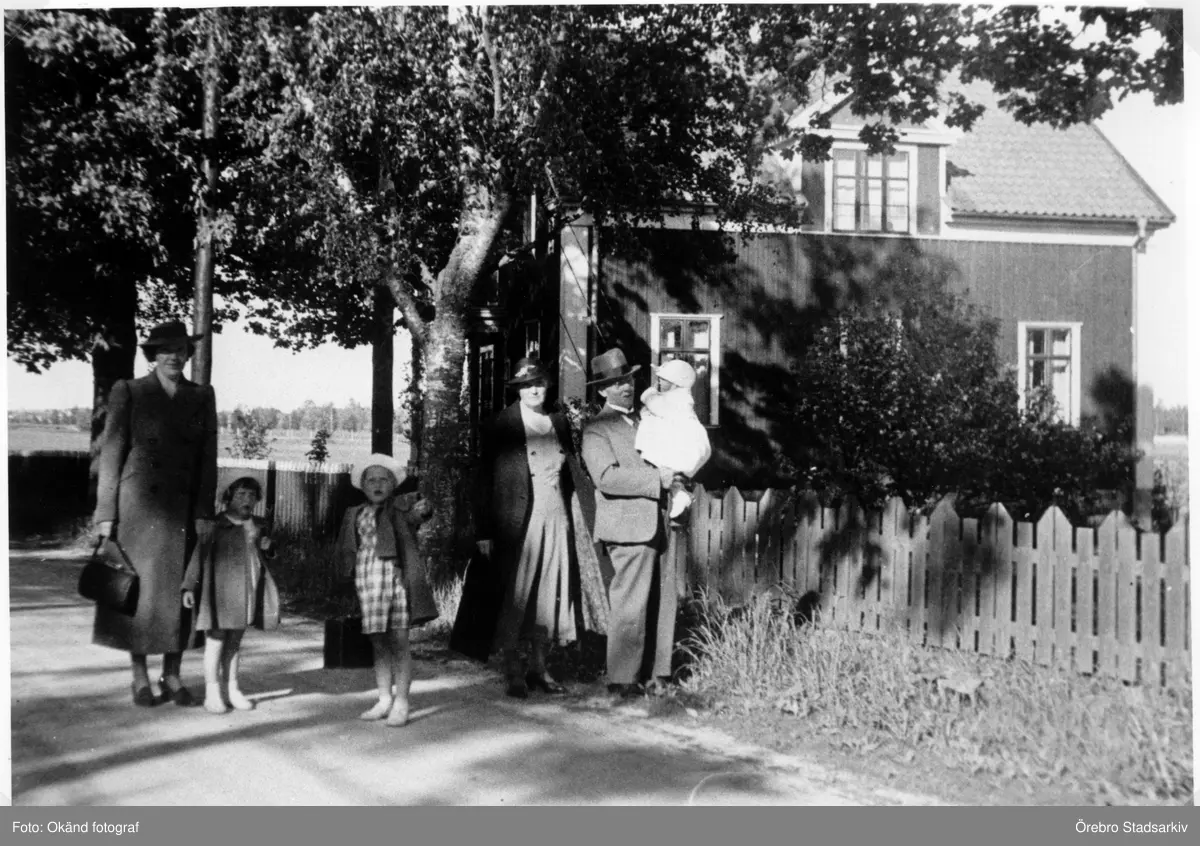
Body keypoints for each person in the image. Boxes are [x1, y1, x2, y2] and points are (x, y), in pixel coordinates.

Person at [451, 359, 608, 698]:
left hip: (557, 518)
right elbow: (482, 481)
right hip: (516, 522)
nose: (534, 390)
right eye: (526, 385)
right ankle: (513, 669)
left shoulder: (559, 422)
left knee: (549, 594)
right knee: (516, 595)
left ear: (548, 385)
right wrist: (483, 532)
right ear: (518, 390)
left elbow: (572, 472)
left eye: (539, 383)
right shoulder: (501, 424)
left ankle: (539, 667)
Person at [92, 320, 217, 708]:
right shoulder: (129, 391)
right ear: (153, 355)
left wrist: (204, 511)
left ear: (188, 354)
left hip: (183, 511)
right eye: (165, 350)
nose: (174, 357)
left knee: (180, 595)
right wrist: (106, 513)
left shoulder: (202, 395)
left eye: (180, 350)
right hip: (137, 510)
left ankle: (173, 676)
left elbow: (207, 459)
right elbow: (111, 453)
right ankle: (140, 677)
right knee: (139, 596)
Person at [581, 348, 679, 698]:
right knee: (630, 604)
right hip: (627, 527)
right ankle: (622, 679)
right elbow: (606, 478)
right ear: (602, 390)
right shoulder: (597, 428)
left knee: (662, 602)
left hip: (658, 523)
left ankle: (657, 674)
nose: (625, 386)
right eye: (616, 382)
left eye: (628, 379)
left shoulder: (643, 420)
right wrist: (656, 480)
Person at [335, 454, 437, 727]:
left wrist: (424, 509)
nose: (377, 484)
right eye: (371, 480)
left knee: (399, 641)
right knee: (378, 642)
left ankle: (401, 702)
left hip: (395, 581)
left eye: (384, 480)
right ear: (363, 485)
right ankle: (383, 699)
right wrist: (344, 579)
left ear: (393, 485)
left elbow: (418, 514)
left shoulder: (399, 509)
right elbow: (346, 550)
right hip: (367, 582)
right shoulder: (355, 513)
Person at [182, 477, 280, 715]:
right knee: (216, 640)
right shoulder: (215, 525)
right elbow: (198, 555)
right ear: (228, 497)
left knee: (235, 641)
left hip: (247, 589)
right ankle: (212, 692)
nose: (247, 500)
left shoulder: (258, 524)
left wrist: (269, 548)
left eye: (251, 495)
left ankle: (233, 689)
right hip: (221, 592)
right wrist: (188, 586)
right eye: (241, 494)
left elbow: (267, 554)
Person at [635, 358, 712, 521]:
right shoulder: (675, 397)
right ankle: (679, 495)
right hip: (677, 438)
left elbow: (652, 402)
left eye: (663, 379)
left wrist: (649, 393)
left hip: (680, 442)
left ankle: (679, 495)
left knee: (667, 470)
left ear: (676, 384)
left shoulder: (677, 399)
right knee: (671, 476)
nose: (659, 381)